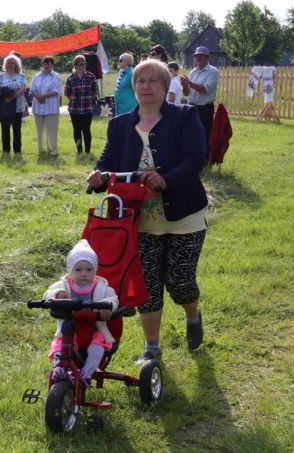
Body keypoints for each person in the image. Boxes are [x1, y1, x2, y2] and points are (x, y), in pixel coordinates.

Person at [86, 59, 208, 360]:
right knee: (148, 287)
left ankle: (192, 315)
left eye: (153, 81)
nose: (146, 86)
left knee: (180, 283)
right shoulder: (119, 125)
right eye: (140, 81)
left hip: (184, 217)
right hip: (138, 223)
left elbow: (196, 158)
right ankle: (152, 348)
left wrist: (166, 180)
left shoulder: (185, 116)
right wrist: (98, 175)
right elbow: (107, 160)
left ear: (165, 86)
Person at [44, 239, 118, 385]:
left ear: (95, 270)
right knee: (60, 346)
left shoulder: (102, 287)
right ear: (70, 271)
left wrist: (106, 306)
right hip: (71, 329)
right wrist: (57, 295)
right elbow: (48, 293)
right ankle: (60, 369)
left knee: (96, 348)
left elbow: (114, 299)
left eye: (89, 270)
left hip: (95, 329)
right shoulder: (64, 284)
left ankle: (86, 374)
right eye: (78, 270)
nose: (84, 274)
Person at [181, 46, 219, 142]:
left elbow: (204, 89)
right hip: (191, 107)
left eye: (201, 56)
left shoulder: (213, 71)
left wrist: (189, 83)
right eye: (196, 56)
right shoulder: (193, 72)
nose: (198, 58)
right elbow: (186, 93)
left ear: (207, 57)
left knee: (204, 135)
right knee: (190, 134)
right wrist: (184, 85)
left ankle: (204, 156)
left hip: (204, 109)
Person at [65, 55, 99, 154]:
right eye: (81, 64)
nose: (84, 65)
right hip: (74, 109)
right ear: (76, 66)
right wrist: (75, 99)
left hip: (87, 108)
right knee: (76, 130)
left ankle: (88, 151)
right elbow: (67, 92)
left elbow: (95, 90)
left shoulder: (91, 76)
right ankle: (79, 150)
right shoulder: (70, 78)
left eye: (85, 63)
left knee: (86, 130)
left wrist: (89, 99)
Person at [30, 56, 62, 156]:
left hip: (51, 107)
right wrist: (38, 96)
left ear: (52, 65)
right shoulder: (36, 76)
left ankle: (52, 150)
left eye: (49, 64)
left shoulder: (56, 76)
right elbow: (32, 89)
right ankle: (41, 149)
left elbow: (56, 91)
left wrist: (43, 96)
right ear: (42, 64)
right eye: (45, 63)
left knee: (52, 130)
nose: (46, 65)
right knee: (39, 130)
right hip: (38, 106)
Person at [0, 55, 27, 154]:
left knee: (17, 129)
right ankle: (6, 150)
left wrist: (11, 97)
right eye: (8, 63)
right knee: (5, 129)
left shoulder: (21, 76)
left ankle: (17, 150)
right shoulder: (1, 75)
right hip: (5, 106)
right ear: (5, 64)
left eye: (12, 63)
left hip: (18, 106)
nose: (10, 65)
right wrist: (7, 93)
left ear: (16, 64)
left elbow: (23, 89)